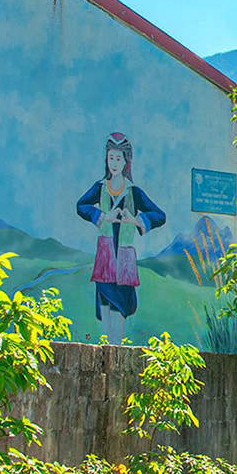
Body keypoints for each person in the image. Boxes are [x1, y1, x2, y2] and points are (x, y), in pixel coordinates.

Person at [75, 132, 166, 340]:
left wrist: (135, 220)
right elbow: (81, 205)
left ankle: (118, 348)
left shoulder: (133, 192)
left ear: (126, 161)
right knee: (106, 302)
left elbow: (160, 215)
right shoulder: (100, 188)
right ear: (106, 160)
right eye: (111, 158)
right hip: (106, 257)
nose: (114, 163)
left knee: (120, 304)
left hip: (124, 259)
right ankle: (107, 346)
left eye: (118, 158)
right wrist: (102, 217)